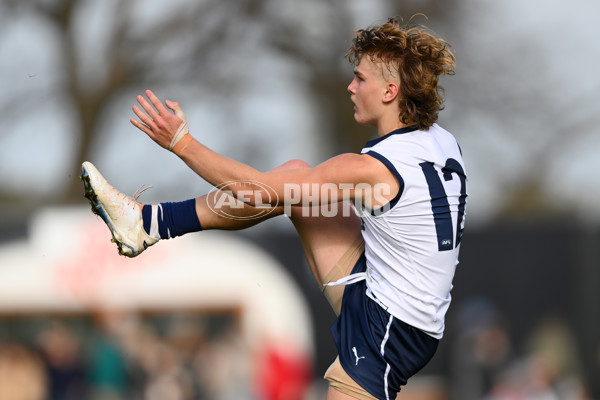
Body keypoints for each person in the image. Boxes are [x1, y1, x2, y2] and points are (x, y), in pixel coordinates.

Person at [81, 17, 467, 400]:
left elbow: (254, 191)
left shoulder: (370, 169)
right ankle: (148, 223)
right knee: (297, 177)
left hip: (388, 331)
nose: (350, 87)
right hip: (389, 295)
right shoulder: (442, 142)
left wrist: (182, 143)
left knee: (275, 189)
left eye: (360, 78)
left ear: (390, 91)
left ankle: (149, 223)